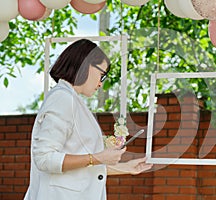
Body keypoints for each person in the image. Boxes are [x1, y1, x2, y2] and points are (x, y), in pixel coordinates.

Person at [24, 39, 153, 200]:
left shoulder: (71, 100)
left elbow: (82, 167)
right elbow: (44, 159)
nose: (100, 84)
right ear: (86, 65)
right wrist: (98, 157)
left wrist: (126, 168)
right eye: (102, 75)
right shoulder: (62, 99)